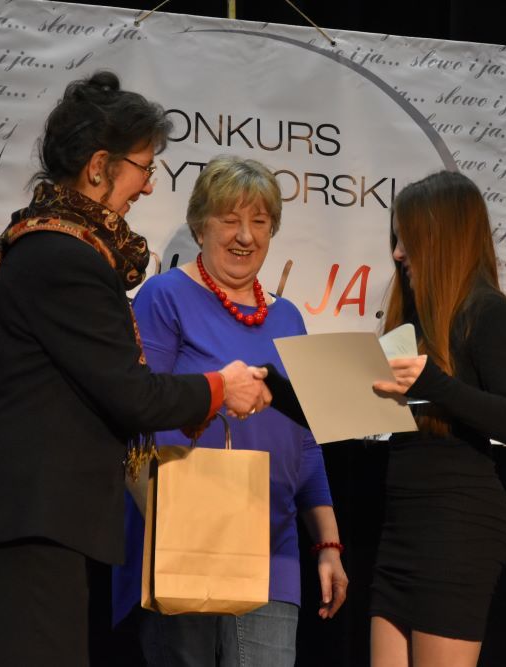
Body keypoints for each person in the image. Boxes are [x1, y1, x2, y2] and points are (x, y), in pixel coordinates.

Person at [0, 73, 271, 667]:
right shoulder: (64, 256)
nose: (148, 186)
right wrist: (218, 388)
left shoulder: (57, 243)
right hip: (35, 516)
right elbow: (130, 393)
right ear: (99, 166)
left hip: (41, 517)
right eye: (143, 168)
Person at [112, 155, 348, 667]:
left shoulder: (288, 318)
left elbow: (306, 441)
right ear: (201, 226)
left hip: (273, 549)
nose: (245, 236)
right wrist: (171, 526)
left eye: (259, 222)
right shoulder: (164, 297)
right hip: (185, 540)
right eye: (230, 219)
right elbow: (137, 414)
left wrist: (327, 544)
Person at [369, 170, 506, 667]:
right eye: (396, 239)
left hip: (457, 527)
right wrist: (275, 388)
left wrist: (436, 384)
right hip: (403, 526)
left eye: (407, 239)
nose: (397, 253)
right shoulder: (414, 318)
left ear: (441, 239)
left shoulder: (487, 313)